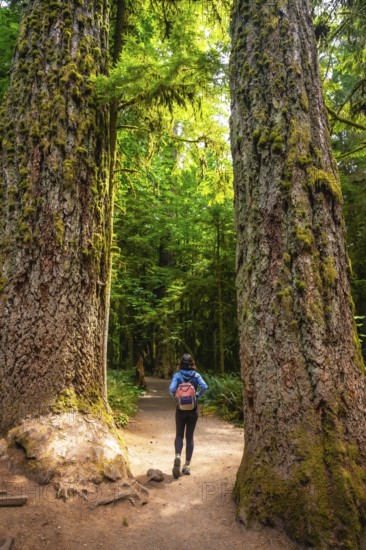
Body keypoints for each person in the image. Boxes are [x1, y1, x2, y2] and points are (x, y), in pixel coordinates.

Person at [169, 353, 208, 478]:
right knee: (189, 437)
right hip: (193, 409)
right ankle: (186, 466)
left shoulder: (177, 375)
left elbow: (171, 389)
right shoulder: (196, 375)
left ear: (181, 363)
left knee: (179, 435)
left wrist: (177, 398)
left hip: (180, 409)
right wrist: (196, 396)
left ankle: (177, 456)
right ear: (192, 363)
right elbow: (204, 386)